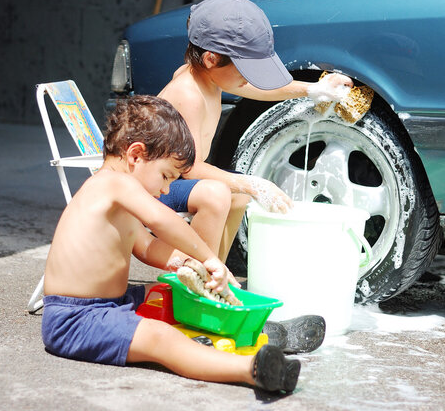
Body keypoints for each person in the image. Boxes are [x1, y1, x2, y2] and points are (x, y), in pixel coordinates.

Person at [41, 95, 300, 393]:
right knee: (160, 337)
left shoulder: (118, 194)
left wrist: (187, 263)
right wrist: (208, 258)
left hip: (113, 304)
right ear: (135, 155)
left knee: (174, 296)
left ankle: (260, 332)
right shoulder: (112, 183)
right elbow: (162, 220)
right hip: (75, 320)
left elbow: (146, 247)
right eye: (166, 176)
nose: (166, 188)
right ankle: (253, 369)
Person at [158, 0, 352, 353]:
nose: (247, 77)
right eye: (244, 67)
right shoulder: (187, 93)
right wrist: (249, 179)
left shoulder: (210, 75)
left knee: (237, 196)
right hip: (155, 187)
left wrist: (311, 89)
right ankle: (195, 287)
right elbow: (186, 167)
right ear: (212, 59)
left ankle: (212, 277)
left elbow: (257, 87)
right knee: (218, 193)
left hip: (175, 179)